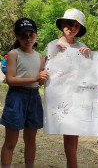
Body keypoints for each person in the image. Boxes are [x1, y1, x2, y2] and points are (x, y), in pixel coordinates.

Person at [0, 17, 49, 168]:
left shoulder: (39, 56)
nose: (28, 39)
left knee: (31, 141)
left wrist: (46, 75)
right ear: (16, 36)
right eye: (23, 36)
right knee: (11, 141)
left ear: (36, 35)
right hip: (17, 98)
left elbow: (39, 82)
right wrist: (35, 77)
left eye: (31, 35)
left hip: (34, 98)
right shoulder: (13, 54)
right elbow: (10, 79)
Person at [44, 8, 91, 168]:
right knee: (70, 134)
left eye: (77, 25)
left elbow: (90, 70)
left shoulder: (82, 46)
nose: (72, 27)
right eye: (70, 23)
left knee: (74, 134)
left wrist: (89, 56)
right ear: (62, 23)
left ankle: (71, 164)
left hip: (78, 96)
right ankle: (73, 165)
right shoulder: (52, 46)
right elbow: (46, 69)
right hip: (62, 97)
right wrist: (55, 54)